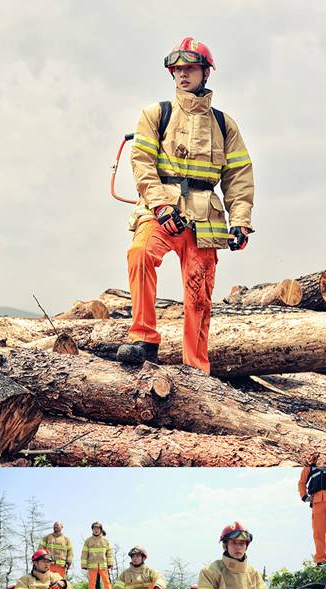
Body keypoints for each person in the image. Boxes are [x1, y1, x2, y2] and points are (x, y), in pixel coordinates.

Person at [117, 37, 254, 374]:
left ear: (205, 72)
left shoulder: (225, 125)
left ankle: (196, 366)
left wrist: (241, 220)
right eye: (177, 69)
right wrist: (162, 206)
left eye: (190, 68)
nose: (182, 74)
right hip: (161, 210)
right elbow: (142, 162)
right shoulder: (155, 114)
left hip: (206, 217)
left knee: (199, 292)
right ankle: (144, 338)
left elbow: (239, 175)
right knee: (140, 254)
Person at [299, 467, 326, 567]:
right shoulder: (310, 466)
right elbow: (302, 482)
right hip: (317, 502)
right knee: (318, 532)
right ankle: (320, 560)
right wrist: (304, 496)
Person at [81, 521, 114, 589]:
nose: (96, 530)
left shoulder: (106, 541)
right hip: (92, 565)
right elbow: (84, 553)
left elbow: (109, 552)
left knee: (107, 581)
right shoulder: (88, 541)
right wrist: (84, 564)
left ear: (101, 530)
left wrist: (110, 563)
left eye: (98, 528)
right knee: (92, 583)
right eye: (94, 528)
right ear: (92, 529)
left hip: (103, 565)